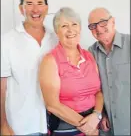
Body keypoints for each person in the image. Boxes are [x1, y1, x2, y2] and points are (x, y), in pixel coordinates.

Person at [1, 0, 58, 135]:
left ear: (46, 8)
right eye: (29, 4)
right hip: (21, 126)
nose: (35, 9)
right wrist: (3, 125)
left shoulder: (55, 39)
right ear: (21, 9)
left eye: (40, 4)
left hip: (54, 124)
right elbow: (1, 87)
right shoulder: (7, 41)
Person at [39, 7, 104, 136]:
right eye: (64, 26)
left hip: (93, 123)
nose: (70, 30)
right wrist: (87, 127)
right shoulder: (50, 61)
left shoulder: (89, 56)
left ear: (80, 28)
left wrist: (96, 115)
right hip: (66, 128)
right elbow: (52, 105)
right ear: (57, 32)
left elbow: (98, 92)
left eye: (74, 24)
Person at [88, 7, 130, 135]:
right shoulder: (91, 52)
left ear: (113, 22)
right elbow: (94, 88)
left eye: (103, 22)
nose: (98, 29)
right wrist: (102, 113)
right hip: (108, 127)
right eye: (93, 26)